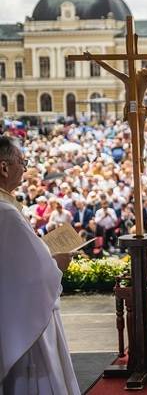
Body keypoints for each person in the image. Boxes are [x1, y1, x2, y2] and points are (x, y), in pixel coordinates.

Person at [0, 136, 80, 394]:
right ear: (4, 168)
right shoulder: (6, 212)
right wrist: (57, 263)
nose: (25, 168)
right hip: (26, 319)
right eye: (22, 162)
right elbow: (36, 275)